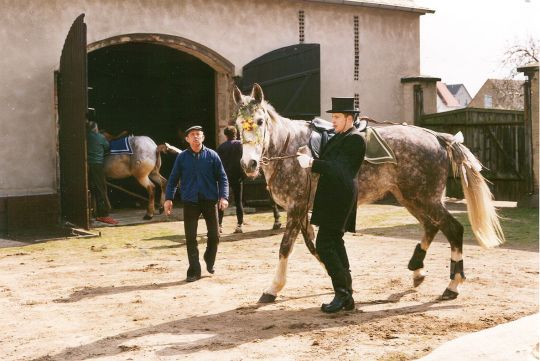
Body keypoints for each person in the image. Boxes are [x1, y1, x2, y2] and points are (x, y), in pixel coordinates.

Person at [296, 97, 366, 313]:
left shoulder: (356, 139)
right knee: (334, 242)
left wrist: (312, 164)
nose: (332, 121)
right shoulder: (340, 136)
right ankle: (346, 295)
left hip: (340, 197)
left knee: (325, 245)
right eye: (332, 117)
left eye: (336, 117)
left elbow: (341, 170)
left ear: (349, 118)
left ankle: (342, 293)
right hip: (331, 196)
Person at [164, 125, 229, 282]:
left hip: (210, 200)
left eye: (198, 134)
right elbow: (172, 179)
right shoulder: (182, 158)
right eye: (192, 135)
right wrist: (168, 198)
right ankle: (194, 270)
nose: (196, 137)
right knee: (191, 237)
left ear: (203, 137)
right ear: (187, 139)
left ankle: (209, 257)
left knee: (215, 235)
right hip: (190, 201)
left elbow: (223, 177)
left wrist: (224, 197)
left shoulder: (212, 155)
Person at [86, 121, 118, 225]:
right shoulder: (100, 137)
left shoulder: (86, 136)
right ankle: (103, 215)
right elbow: (107, 147)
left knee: (91, 188)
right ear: (96, 129)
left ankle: (92, 213)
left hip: (87, 165)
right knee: (101, 189)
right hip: (97, 165)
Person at [217, 126, 244, 234]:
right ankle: (239, 225)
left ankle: (219, 225)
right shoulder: (241, 145)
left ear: (225, 135)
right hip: (238, 177)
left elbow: (218, 164)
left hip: (225, 178)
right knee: (239, 202)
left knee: (222, 201)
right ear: (236, 133)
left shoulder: (221, 147)